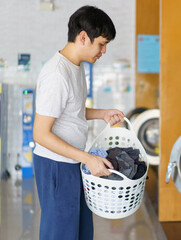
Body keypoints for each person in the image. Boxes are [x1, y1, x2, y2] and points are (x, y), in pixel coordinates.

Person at [32, 5, 123, 240]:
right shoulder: (56, 74)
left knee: (81, 232)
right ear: (83, 37)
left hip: (72, 161)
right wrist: (88, 159)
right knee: (60, 233)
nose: (103, 51)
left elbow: (72, 112)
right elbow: (41, 134)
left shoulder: (76, 67)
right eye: (101, 44)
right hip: (56, 166)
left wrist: (102, 113)